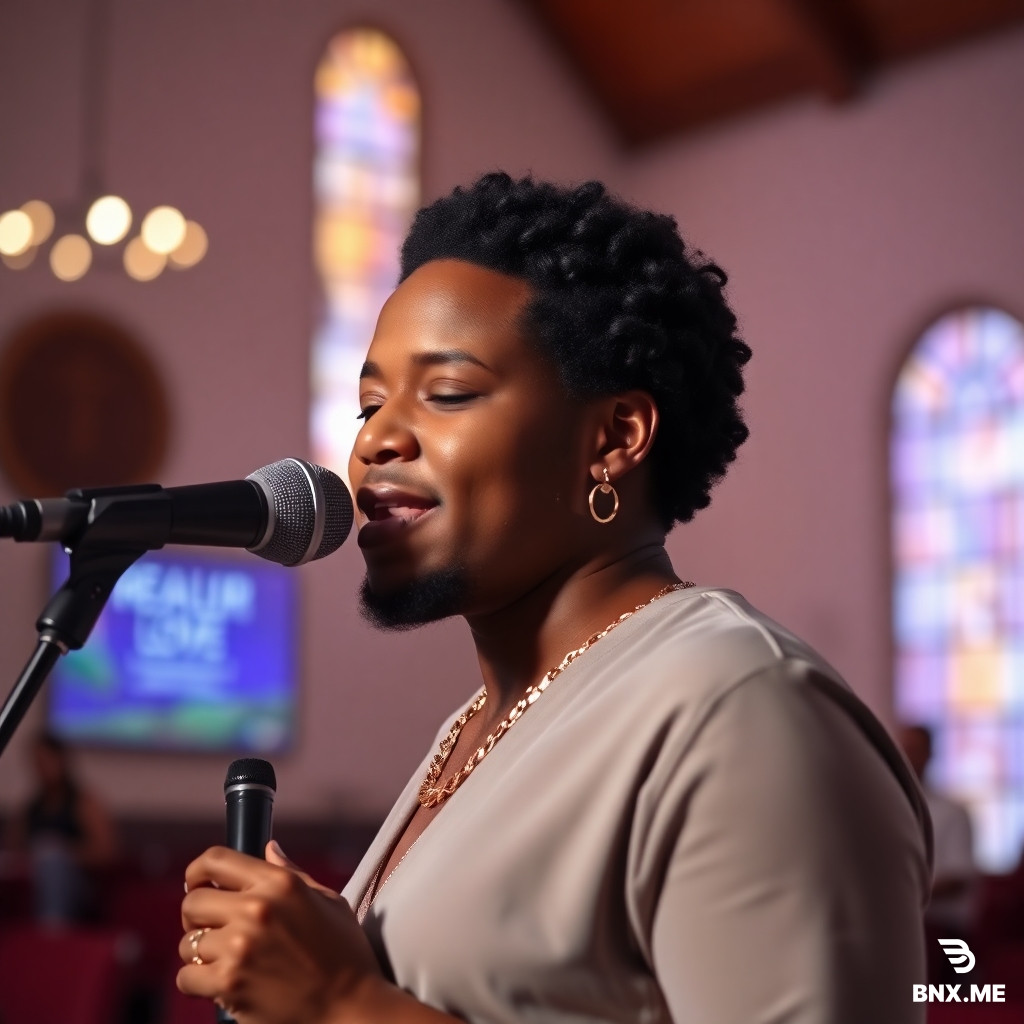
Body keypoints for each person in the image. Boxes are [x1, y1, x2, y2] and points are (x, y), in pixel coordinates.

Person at [177, 173, 932, 1023]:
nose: (376, 441)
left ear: (612, 439)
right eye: (370, 404)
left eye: (449, 393)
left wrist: (341, 999)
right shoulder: (480, 722)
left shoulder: (741, 706)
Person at [4, 730, 116, 925]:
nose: (42, 768)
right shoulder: (30, 808)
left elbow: (107, 852)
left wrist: (62, 853)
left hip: (78, 887)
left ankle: (52, 935)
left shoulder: (84, 803)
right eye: (37, 763)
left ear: (61, 761)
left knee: (52, 859)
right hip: (33, 884)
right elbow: (13, 850)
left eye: (46, 761)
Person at [898, 724, 977, 940]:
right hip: (903, 924)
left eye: (915, 750)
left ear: (930, 755)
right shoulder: (887, 810)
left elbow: (957, 880)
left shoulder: (953, 813)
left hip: (942, 927)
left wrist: (902, 896)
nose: (908, 757)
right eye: (903, 749)